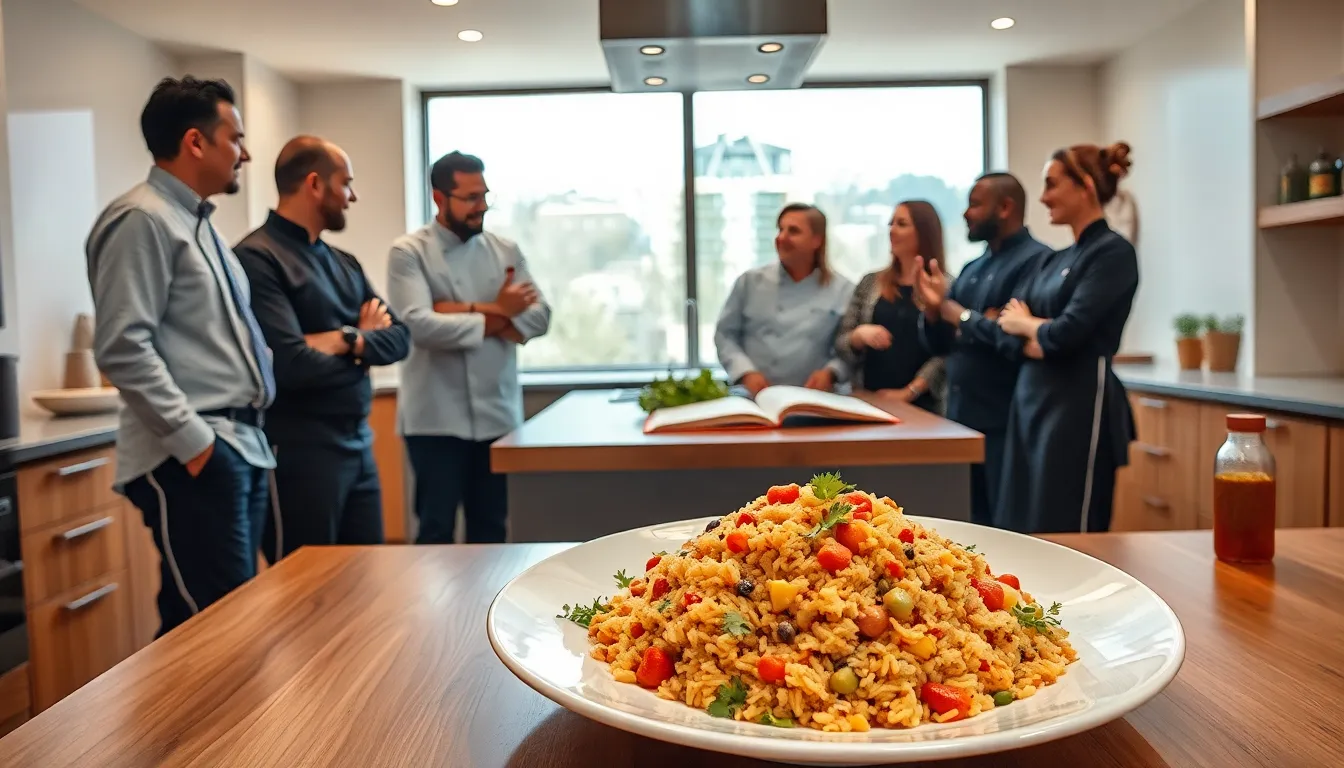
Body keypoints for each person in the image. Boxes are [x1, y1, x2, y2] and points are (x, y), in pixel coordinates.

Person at [86, 76, 275, 636]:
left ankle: (171, 730)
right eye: (235, 138)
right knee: (219, 632)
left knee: (195, 626)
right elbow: (123, 348)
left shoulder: (196, 223)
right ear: (196, 142)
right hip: (196, 453)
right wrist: (198, 449)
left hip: (238, 446)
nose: (246, 153)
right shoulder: (141, 219)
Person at [234, 136, 410, 560]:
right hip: (297, 453)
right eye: (346, 183)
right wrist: (363, 346)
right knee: (303, 594)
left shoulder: (344, 263)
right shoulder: (257, 259)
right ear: (315, 184)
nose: (353, 196)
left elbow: (400, 338)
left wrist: (344, 340)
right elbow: (289, 364)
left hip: (357, 445)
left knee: (367, 578)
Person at [386, 151, 551, 544]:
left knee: (492, 530)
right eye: (470, 198)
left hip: (497, 417)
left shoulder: (504, 250)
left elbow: (540, 318)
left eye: (484, 196)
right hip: (435, 420)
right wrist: (499, 312)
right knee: (435, 531)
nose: (481, 207)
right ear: (439, 197)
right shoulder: (408, 252)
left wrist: (452, 311)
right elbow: (419, 326)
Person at [994, 142, 1139, 534]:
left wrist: (1031, 326)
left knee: (1065, 528)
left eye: (1052, 184)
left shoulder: (1113, 253)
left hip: (1077, 407)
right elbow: (1007, 327)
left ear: (1085, 186)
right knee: (1021, 524)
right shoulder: (1050, 260)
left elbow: (1068, 333)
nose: (1043, 197)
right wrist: (1036, 332)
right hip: (1030, 402)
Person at [915, 174, 1053, 527]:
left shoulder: (1038, 262)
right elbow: (943, 346)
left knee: (1006, 527)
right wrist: (937, 313)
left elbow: (1012, 340)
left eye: (975, 204)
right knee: (967, 524)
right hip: (960, 418)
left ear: (1005, 208)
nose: (965, 213)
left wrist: (958, 315)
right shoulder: (972, 268)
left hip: (1006, 421)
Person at [714, 203, 854, 395]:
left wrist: (831, 373)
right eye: (780, 230)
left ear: (816, 240)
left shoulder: (843, 290)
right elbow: (725, 335)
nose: (781, 238)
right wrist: (745, 373)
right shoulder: (750, 282)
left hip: (815, 399)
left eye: (793, 231)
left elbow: (849, 348)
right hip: (754, 398)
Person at [835, 201, 946, 412]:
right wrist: (859, 335)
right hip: (869, 402)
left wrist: (910, 391)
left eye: (901, 224)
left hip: (924, 408)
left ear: (923, 232)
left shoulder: (945, 286)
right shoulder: (870, 283)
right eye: (890, 223)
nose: (892, 230)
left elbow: (948, 353)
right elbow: (841, 343)